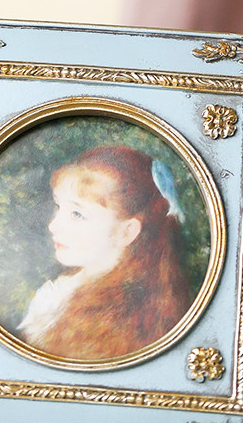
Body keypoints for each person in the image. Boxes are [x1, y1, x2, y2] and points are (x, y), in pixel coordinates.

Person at [18, 145, 192, 360]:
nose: (53, 226)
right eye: (59, 207)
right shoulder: (58, 293)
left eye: (77, 214)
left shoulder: (126, 320)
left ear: (126, 232)